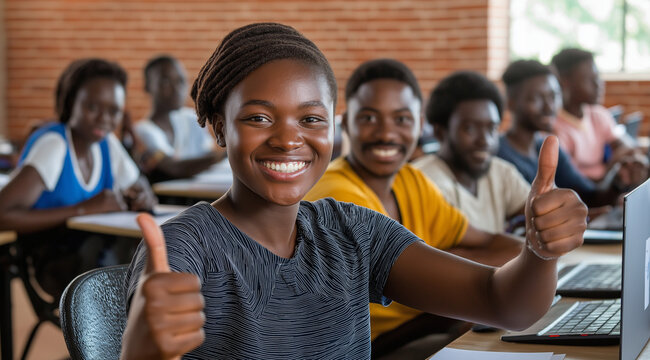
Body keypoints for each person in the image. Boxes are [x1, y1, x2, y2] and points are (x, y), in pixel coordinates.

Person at [121, 23, 587, 360]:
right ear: (220, 129)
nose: (288, 139)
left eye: (311, 119)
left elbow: (502, 302)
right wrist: (141, 350)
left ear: (333, 130)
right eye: (259, 118)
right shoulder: (186, 248)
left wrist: (539, 253)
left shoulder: (351, 231)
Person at [304, 60, 527, 355]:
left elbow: (505, 247)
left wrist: (440, 264)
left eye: (402, 119)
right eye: (369, 118)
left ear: (420, 125)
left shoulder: (412, 181)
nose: (386, 134)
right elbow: (436, 290)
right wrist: (445, 269)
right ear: (345, 125)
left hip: (424, 325)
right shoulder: (338, 198)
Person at [0, 58, 157, 298]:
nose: (104, 119)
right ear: (71, 102)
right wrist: (83, 209)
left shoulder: (106, 143)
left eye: (113, 111)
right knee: (136, 271)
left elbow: (140, 185)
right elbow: (3, 214)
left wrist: (143, 195)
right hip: (55, 261)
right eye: (92, 107)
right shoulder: (55, 144)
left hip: (92, 254)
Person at [413, 71, 530, 234]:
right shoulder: (423, 181)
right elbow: (457, 253)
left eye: (492, 128)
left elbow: (539, 215)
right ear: (440, 132)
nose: (485, 140)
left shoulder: (501, 172)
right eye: (469, 128)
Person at [498, 59, 626, 208]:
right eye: (537, 98)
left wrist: (619, 179)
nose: (549, 106)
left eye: (553, 96)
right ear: (511, 103)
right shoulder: (500, 155)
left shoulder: (546, 146)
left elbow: (590, 195)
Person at [551, 48, 647, 185]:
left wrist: (634, 158)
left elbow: (624, 144)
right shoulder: (555, 129)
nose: (599, 84)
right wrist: (612, 165)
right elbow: (573, 183)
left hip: (606, 190)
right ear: (566, 82)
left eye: (597, 77)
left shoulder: (597, 114)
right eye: (590, 80)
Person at [135, 55, 226, 181]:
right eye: (165, 82)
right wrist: (224, 155)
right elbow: (173, 167)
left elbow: (208, 153)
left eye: (181, 81)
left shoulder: (191, 118)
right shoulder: (142, 131)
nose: (176, 88)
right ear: (147, 86)